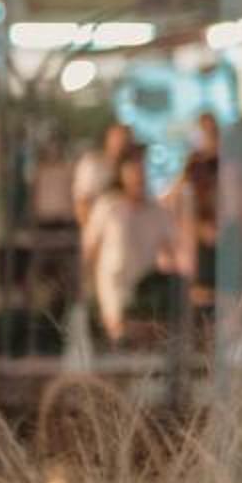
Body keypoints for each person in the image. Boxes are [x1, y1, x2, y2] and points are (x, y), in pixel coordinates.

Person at [79, 143, 180, 345]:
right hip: (114, 289)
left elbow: (172, 251)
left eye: (141, 169)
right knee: (118, 341)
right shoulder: (107, 206)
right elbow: (89, 248)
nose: (138, 176)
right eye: (133, 170)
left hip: (144, 293)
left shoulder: (158, 212)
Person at [169, 111, 221, 315]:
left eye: (213, 132)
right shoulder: (193, 166)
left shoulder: (229, 166)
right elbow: (174, 202)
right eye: (205, 132)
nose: (210, 138)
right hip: (197, 250)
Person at [72, 121, 132, 220]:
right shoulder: (92, 164)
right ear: (107, 139)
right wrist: (89, 227)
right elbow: (82, 202)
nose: (122, 143)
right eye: (117, 138)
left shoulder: (130, 166)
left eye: (126, 139)